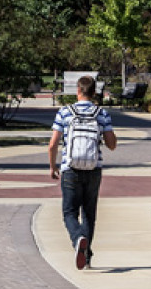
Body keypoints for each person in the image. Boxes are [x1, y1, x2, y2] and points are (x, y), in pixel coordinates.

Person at [47, 74, 118, 269]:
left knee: (69, 212)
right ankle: (86, 258)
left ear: (77, 91)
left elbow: (53, 144)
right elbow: (112, 145)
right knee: (89, 213)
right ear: (94, 92)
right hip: (94, 169)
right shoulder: (101, 113)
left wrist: (53, 167)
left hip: (70, 169)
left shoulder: (65, 112)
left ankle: (78, 238)